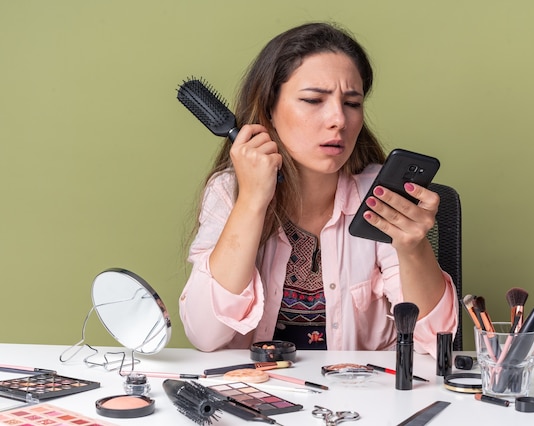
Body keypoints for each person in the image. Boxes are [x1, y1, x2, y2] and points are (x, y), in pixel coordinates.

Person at [179, 22, 458, 357]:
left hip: (363, 398)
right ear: (270, 108)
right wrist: (252, 201)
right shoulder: (228, 193)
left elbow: (436, 342)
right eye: (313, 100)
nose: (338, 119)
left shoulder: (381, 196)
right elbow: (205, 334)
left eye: (352, 103)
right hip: (262, 394)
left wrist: (413, 248)